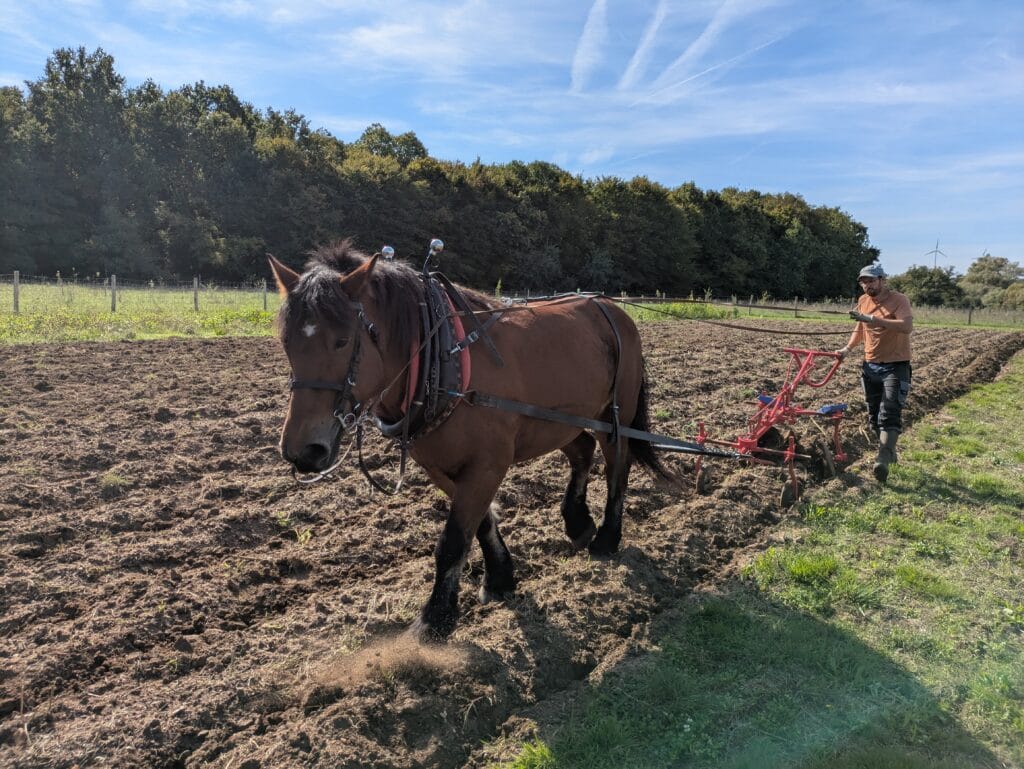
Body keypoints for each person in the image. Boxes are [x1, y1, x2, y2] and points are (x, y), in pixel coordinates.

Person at [836, 264, 914, 483]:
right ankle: (889, 450)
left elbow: (906, 327)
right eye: (863, 281)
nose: (866, 285)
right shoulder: (863, 301)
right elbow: (859, 329)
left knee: (889, 411)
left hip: (895, 365)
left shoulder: (899, 300)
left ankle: (882, 458)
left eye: (871, 280)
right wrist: (847, 349)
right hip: (870, 365)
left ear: (882, 280)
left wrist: (873, 320)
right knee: (873, 419)